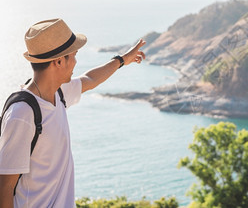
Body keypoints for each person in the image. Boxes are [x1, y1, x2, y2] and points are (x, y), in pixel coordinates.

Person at [0, 18, 146, 208]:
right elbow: (4, 186)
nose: (76, 61)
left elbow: (90, 79)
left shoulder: (58, 93)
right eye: (74, 55)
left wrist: (121, 60)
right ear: (59, 61)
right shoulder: (22, 114)